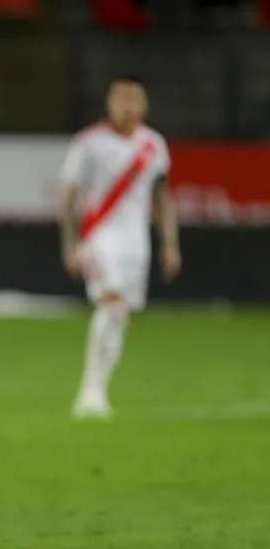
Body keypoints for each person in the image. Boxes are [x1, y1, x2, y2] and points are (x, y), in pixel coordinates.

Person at [59, 75, 180, 419]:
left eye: (134, 99)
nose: (127, 105)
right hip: (99, 237)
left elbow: (162, 196)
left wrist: (170, 243)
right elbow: (68, 196)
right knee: (111, 303)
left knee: (121, 313)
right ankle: (90, 391)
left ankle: (99, 388)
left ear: (145, 105)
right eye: (121, 98)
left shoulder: (154, 145)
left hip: (136, 242)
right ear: (109, 103)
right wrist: (70, 245)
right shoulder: (89, 143)